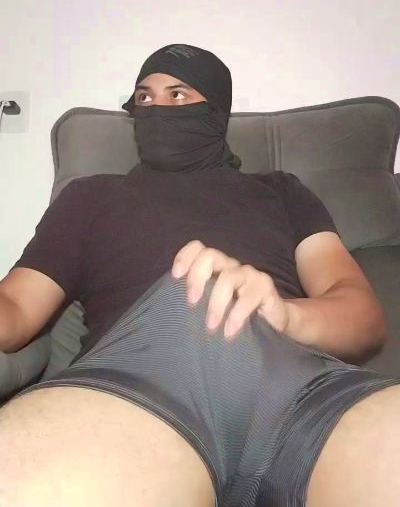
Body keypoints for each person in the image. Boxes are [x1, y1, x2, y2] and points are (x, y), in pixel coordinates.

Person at [0, 42, 399, 507]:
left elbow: (361, 314)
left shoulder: (281, 191)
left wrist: (283, 314)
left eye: (178, 94)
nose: (156, 109)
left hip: (295, 386)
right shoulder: (89, 198)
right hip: (136, 386)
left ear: (216, 111)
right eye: (144, 97)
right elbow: (16, 310)